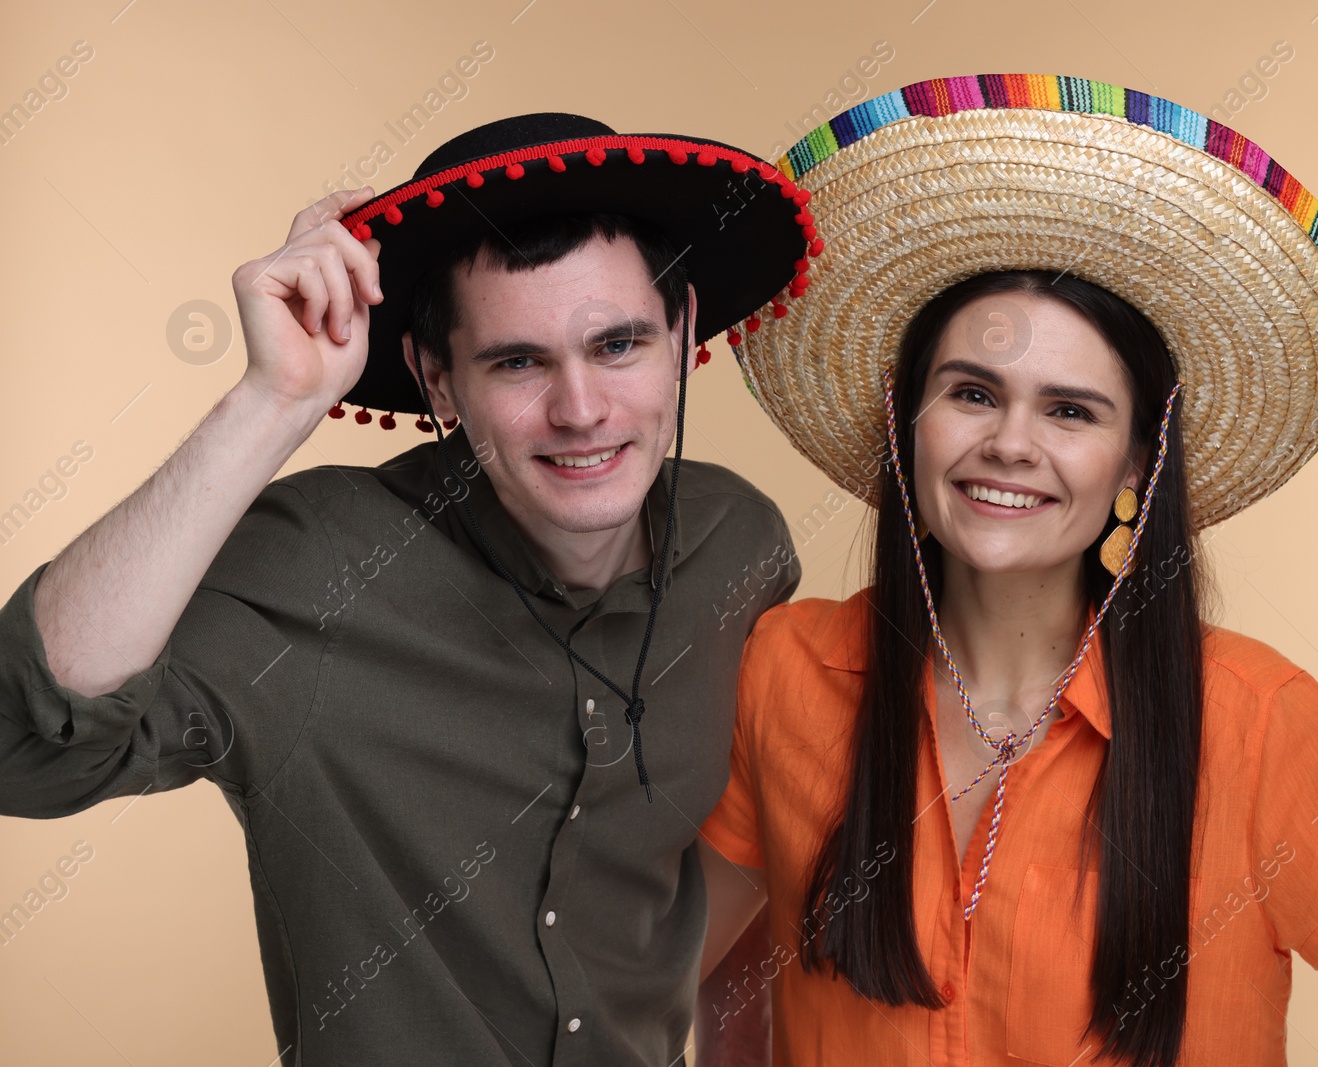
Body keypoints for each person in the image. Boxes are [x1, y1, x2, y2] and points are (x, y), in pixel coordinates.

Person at [692, 74, 1318, 1066]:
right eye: (972, 392)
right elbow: (656, 967)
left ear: (1134, 463)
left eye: (1070, 410)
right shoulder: (784, 669)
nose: (1010, 442)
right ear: (909, 422)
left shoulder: (1253, 720)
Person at [0, 112, 815, 1065]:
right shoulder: (318, 562)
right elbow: (28, 741)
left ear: (681, 338)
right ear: (438, 381)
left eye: (618, 345)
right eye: (518, 362)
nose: (581, 409)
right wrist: (272, 401)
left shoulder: (740, 548)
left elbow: (751, 853)